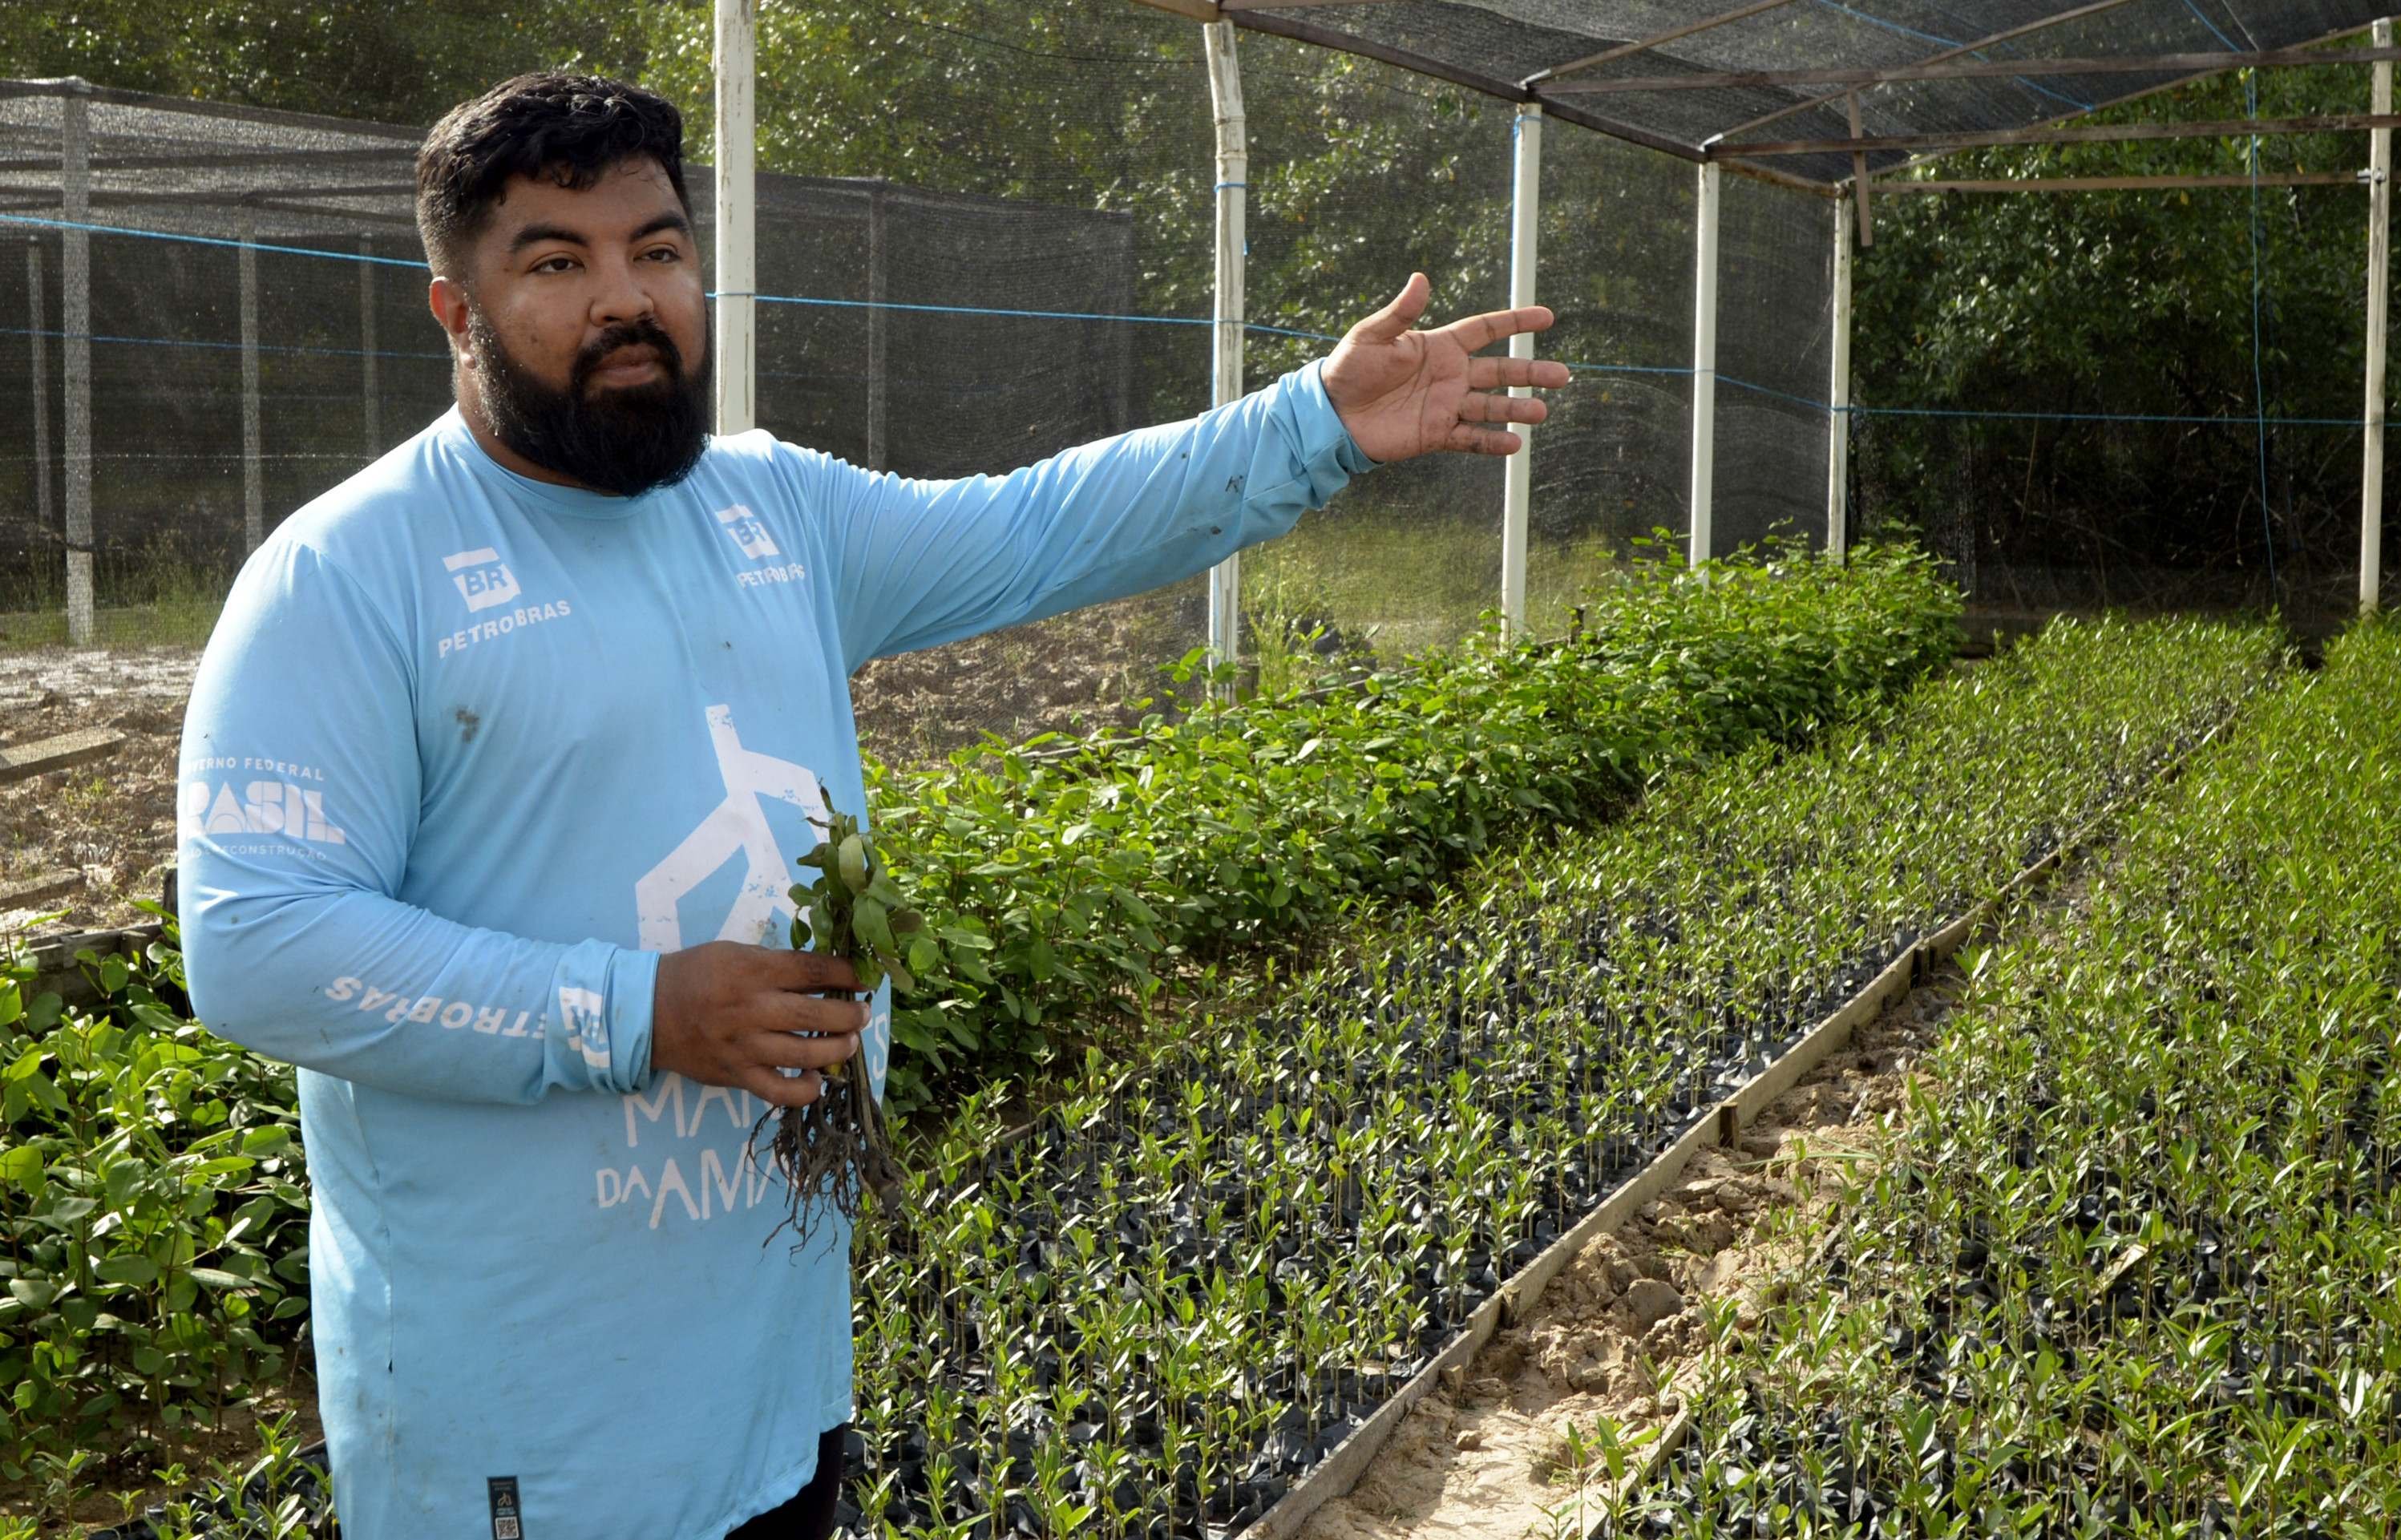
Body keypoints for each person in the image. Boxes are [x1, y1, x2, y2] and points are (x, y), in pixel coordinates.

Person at [176, 70, 1566, 1540]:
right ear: (456, 308)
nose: (624, 300)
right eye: (555, 263)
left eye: (656, 251)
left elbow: (1038, 531)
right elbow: (258, 941)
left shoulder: (773, 511)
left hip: (774, 1384)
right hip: (528, 1429)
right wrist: (638, 1009)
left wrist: (1316, 427)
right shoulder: (349, 576)